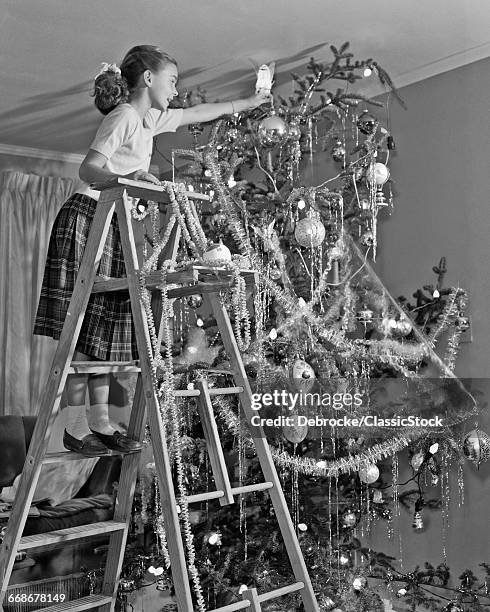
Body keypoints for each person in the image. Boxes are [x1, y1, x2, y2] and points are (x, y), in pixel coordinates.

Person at [34, 45, 270, 457]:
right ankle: (75, 426)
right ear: (147, 78)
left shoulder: (150, 119)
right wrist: (131, 179)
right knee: (84, 330)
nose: (177, 90)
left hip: (114, 223)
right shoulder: (124, 115)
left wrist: (251, 101)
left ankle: (101, 423)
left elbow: (201, 112)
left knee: (107, 331)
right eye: (173, 80)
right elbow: (88, 168)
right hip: (88, 215)